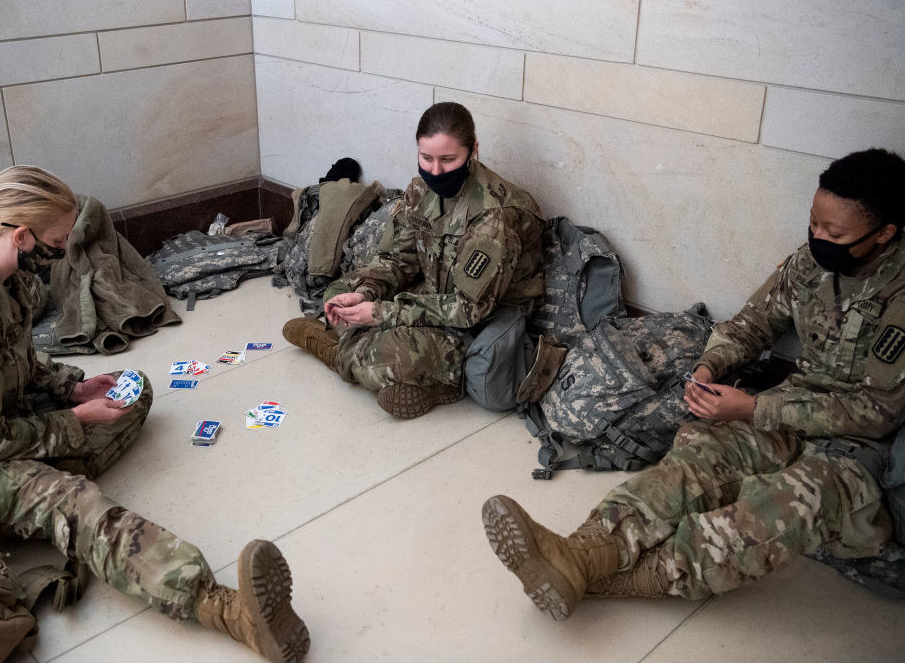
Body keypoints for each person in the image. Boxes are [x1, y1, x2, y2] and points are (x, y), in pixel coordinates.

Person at [0, 166, 309, 662]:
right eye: (59, 240)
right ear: (22, 236)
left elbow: (16, 360)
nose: (65, 249)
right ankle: (225, 610)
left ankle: (37, 480)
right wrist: (74, 422)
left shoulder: (3, 272)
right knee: (72, 499)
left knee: (134, 391)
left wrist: (73, 385)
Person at [482, 148, 905, 619]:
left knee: (783, 507)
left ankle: (608, 575)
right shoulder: (809, 265)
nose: (818, 238)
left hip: (865, 451)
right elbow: (751, 325)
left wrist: (752, 410)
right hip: (792, 407)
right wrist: (709, 366)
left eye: (835, 233)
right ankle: (585, 549)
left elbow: (879, 413)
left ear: (883, 233)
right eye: (813, 224)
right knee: (697, 458)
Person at [283, 102, 547, 418]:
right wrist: (364, 294)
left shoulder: (495, 217)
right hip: (434, 292)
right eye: (426, 158)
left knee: (384, 355)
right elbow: (397, 259)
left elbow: (469, 310)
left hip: (481, 322)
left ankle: (340, 352)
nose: (435, 171)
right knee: (339, 291)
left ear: (473, 151)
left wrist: (380, 312)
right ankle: (373, 352)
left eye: (448, 160)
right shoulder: (421, 189)